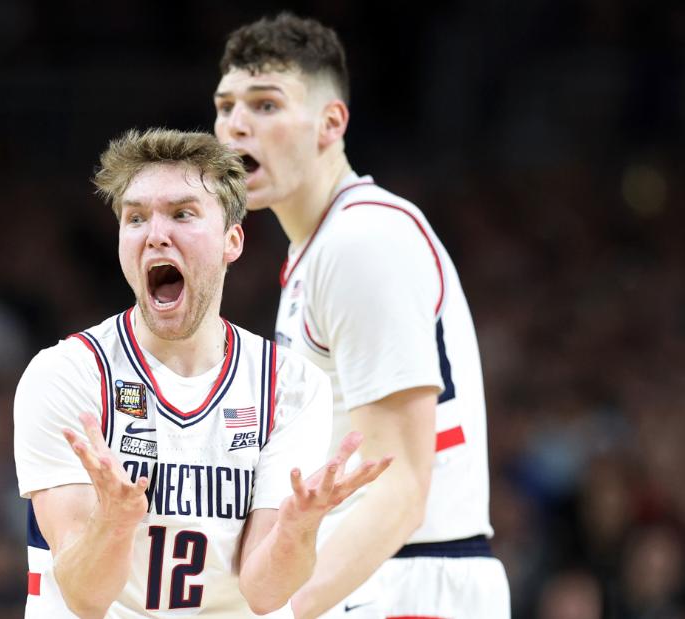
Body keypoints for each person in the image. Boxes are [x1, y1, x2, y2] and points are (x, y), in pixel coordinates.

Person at [13, 128, 392, 619]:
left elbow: (265, 592)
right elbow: (85, 597)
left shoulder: (290, 386)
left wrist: (299, 530)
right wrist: (114, 521)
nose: (156, 234)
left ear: (232, 239)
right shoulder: (67, 374)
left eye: (182, 213)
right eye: (135, 218)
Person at [212, 13, 511, 619]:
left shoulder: (362, 240)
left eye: (265, 105)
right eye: (225, 106)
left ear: (330, 123)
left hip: (409, 582)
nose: (236, 125)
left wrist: (278, 610)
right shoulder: (320, 248)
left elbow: (397, 487)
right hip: (381, 577)